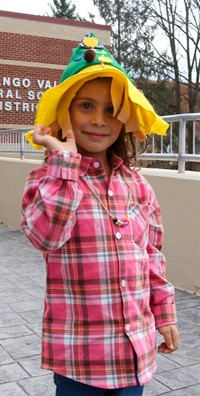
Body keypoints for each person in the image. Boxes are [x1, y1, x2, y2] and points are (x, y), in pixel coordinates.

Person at [21, 33, 179, 396]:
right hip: (80, 358)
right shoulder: (45, 179)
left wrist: (165, 313)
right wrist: (65, 164)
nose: (98, 121)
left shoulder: (139, 186)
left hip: (134, 355)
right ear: (65, 111)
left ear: (125, 118)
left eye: (111, 110)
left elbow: (152, 256)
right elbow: (45, 236)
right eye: (86, 106)